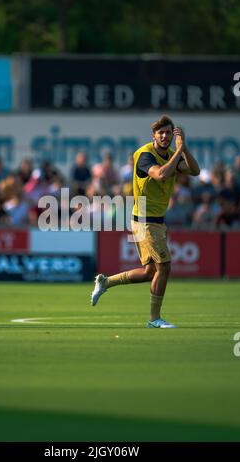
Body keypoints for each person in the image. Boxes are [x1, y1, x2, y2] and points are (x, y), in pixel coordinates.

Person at [91, 115, 200, 328]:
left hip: (155, 220)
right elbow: (160, 175)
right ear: (154, 136)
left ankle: (106, 282)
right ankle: (154, 319)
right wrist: (178, 152)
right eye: (161, 133)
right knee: (165, 267)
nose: (165, 136)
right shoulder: (144, 155)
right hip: (145, 220)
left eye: (169, 132)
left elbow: (195, 171)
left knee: (150, 271)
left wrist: (183, 148)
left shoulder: (171, 155)